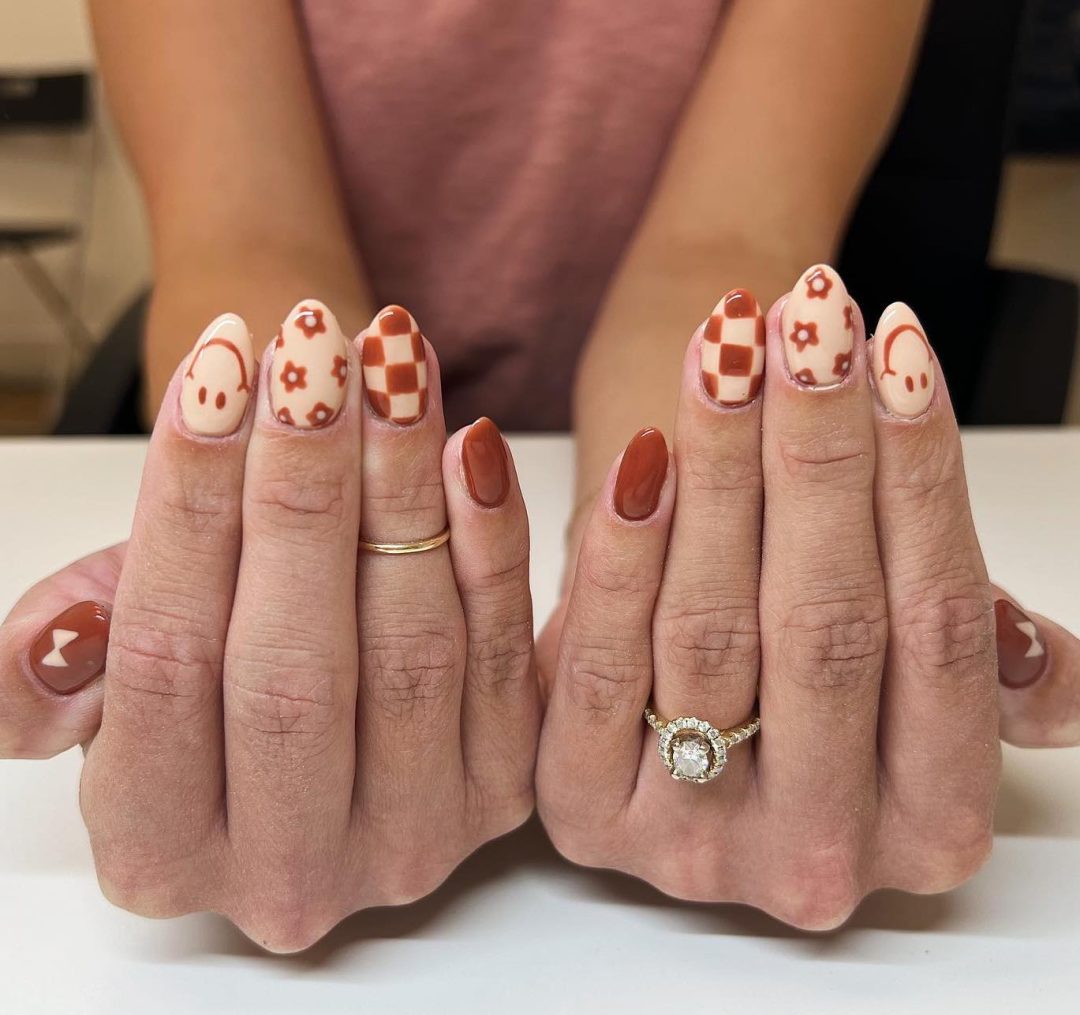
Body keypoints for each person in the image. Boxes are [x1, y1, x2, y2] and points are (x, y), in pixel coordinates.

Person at [1, 0, 1077, 950]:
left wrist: (680, 598)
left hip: (652, 402)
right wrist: (291, 546)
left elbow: (725, 247)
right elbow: (245, 237)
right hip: (366, 450)